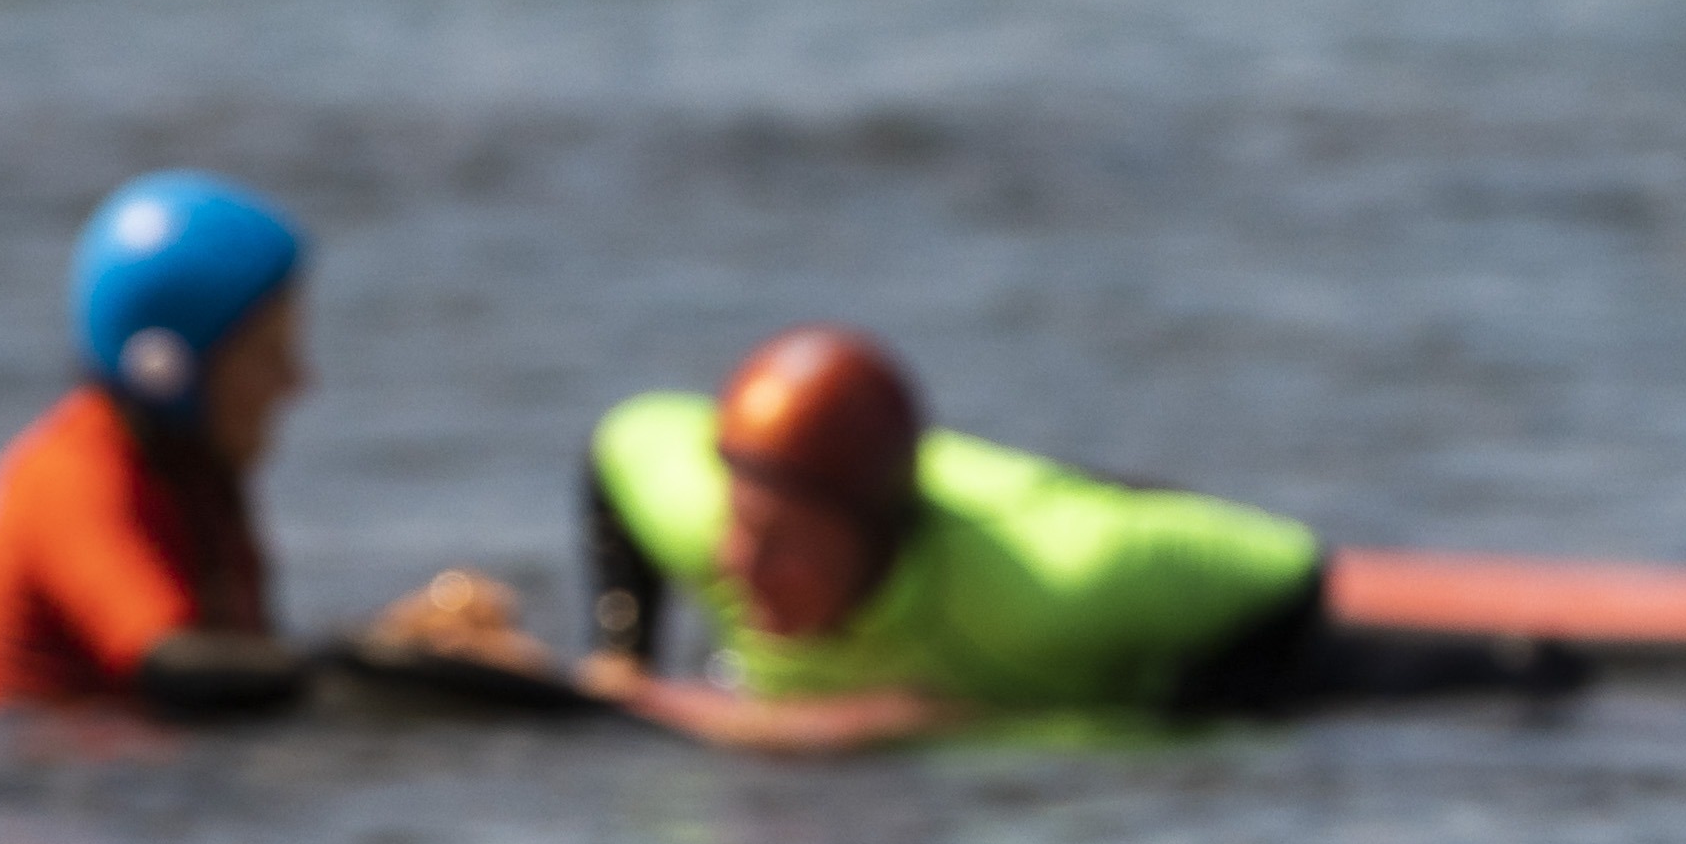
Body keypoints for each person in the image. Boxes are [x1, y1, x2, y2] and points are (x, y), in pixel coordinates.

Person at [477, 326, 1557, 753]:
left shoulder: (1065, 578)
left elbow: (1285, 569)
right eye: (734, 532)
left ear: (877, 536)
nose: (735, 569)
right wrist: (621, 651)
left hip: (1141, 575)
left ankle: (1535, 670)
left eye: (782, 547)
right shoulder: (699, 504)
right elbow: (615, 448)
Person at [0, 171, 313, 718]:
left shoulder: (196, 476)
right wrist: (357, 670)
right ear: (167, 367)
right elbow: (174, 667)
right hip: (45, 790)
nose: (295, 381)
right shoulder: (69, 475)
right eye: (267, 353)